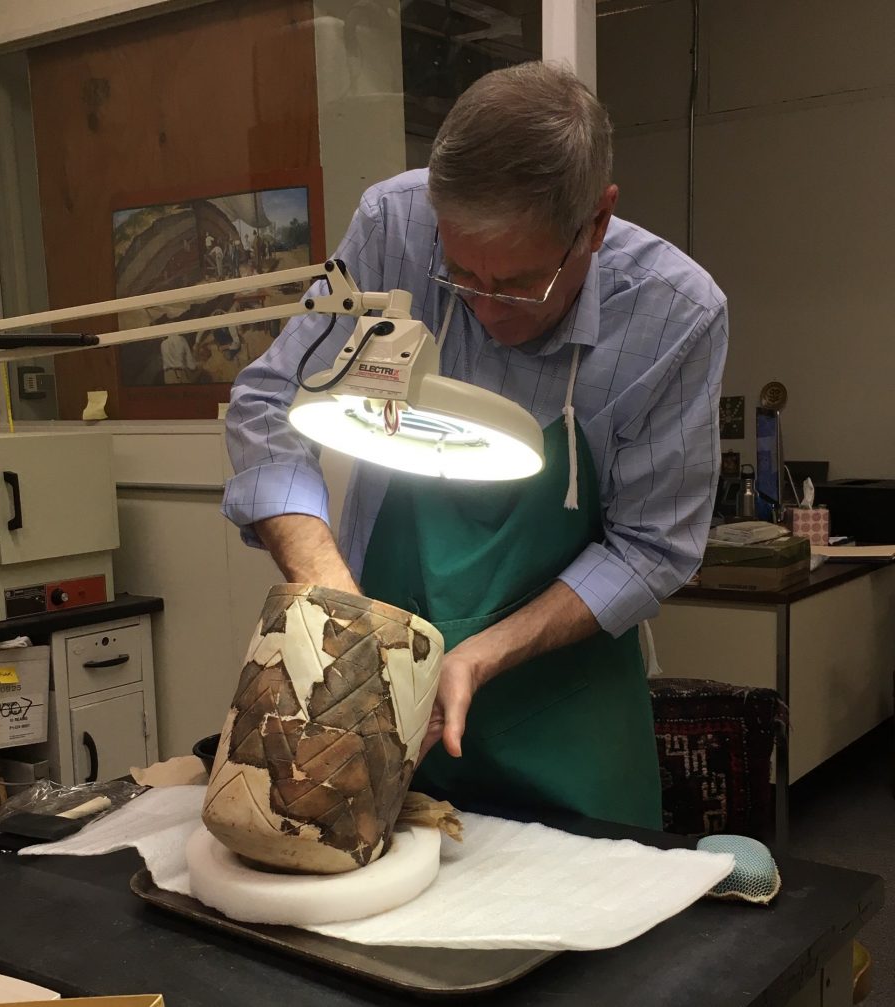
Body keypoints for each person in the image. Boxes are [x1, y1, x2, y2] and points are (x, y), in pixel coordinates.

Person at [223, 62, 728, 830]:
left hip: (563, 723)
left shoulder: (672, 318)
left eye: (519, 283)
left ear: (596, 223)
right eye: (460, 274)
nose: (487, 308)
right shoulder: (395, 227)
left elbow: (653, 548)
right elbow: (267, 404)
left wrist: (477, 656)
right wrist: (338, 600)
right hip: (379, 698)